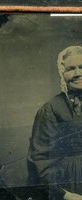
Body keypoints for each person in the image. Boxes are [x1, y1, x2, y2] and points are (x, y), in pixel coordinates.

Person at [27, 46, 82, 200]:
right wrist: (65, 195)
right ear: (62, 74)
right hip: (73, 184)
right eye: (71, 69)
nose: (78, 73)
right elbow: (40, 158)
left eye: (81, 67)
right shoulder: (51, 109)